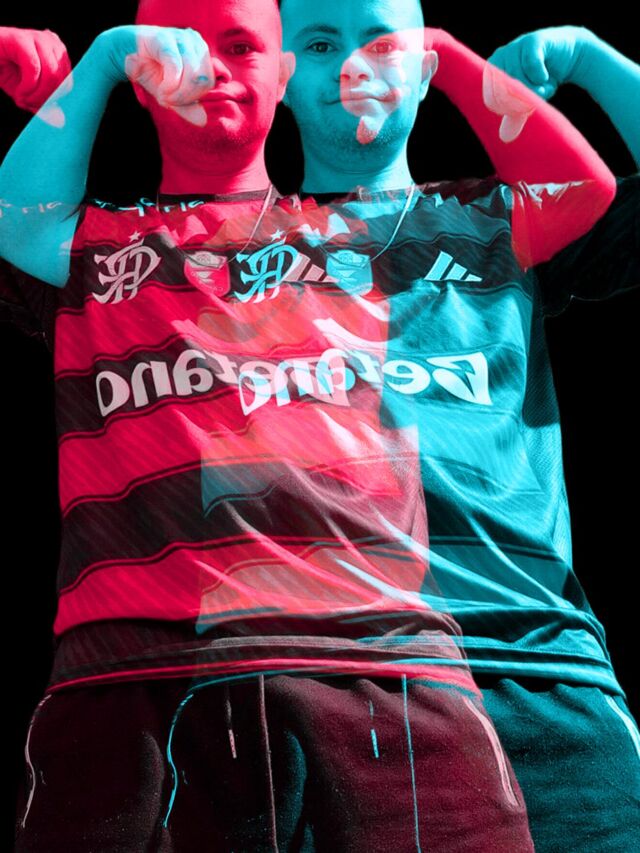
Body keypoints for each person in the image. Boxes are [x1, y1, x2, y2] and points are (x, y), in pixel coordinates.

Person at [0, 4, 620, 852]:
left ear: (278, 74)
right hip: (158, 670)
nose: (208, 67)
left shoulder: (375, 230)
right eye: (176, 46)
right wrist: (94, 67)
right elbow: (19, 221)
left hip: (443, 659)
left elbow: (586, 190)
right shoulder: (107, 241)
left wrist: (451, 55)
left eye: (241, 46)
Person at [276, 0, 640, 849]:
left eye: (382, 41)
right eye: (321, 43)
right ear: (280, 74)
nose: (353, 65)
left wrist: (588, 56)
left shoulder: (505, 216)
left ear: (430, 67)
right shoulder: (220, 243)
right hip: (317, 679)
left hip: (535, 672)